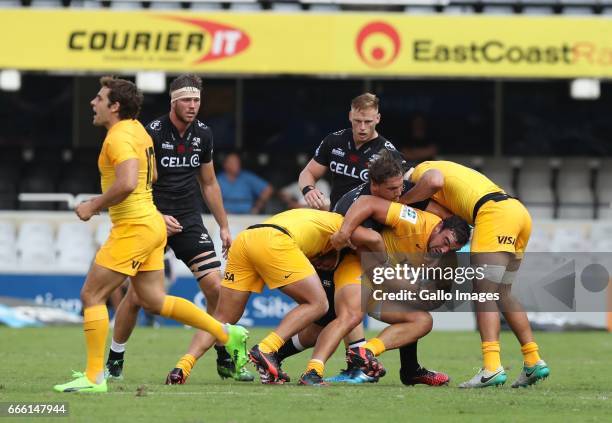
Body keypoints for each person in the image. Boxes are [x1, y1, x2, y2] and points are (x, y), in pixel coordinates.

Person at [53, 76, 248, 393]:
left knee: (92, 296)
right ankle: (227, 335)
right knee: (152, 300)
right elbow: (153, 174)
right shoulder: (143, 132)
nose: (93, 103)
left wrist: (94, 205)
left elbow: (130, 181)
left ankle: (93, 377)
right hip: (154, 222)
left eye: (99, 98)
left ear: (114, 106)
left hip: (136, 226)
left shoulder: (118, 138)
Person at [103, 74, 253, 383]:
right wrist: (156, 215)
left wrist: (224, 226)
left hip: (188, 219)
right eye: (187, 100)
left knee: (216, 289)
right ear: (173, 101)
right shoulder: (151, 133)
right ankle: (115, 357)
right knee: (136, 297)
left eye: (197, 100)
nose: (193, 106)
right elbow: (138, 181)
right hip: (151, 218)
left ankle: (223, 352)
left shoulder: (204, 135)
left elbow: (209, 183)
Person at [165, 207, 386, 384]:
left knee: (222, 318)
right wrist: (382, 265)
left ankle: (182, 367)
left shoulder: (316, 219)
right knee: (318, 304)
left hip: (247, 238)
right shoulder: (343, 226)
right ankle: (266, 349)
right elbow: (375, 239)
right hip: (274, 240)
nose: (320, 263)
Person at [400, 160, 550, 388]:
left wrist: (401, 200)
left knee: (484, 295)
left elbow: (432, 184)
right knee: (504, 293)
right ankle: (533, 360)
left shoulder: (421, 174)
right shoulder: (442, 174)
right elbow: (450, 219)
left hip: (493, 213)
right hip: (518, 213)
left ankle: (491, 367)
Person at [295, 92, 409, 382]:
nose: (362, 127)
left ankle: (366, 361)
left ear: (378, 119)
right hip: (335, 229)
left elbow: (401, 194)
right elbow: (307, 174)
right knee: (338, 306)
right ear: (350, 116)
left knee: (341, 306)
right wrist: (310, 191)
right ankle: (359, 362)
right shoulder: (334, 141)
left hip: (366, 234)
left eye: (368, 122)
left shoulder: (388, 153)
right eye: (358, 120)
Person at [299, 193, 471, 385]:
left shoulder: (446, 259)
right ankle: (312, 370)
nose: (444, 250)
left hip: (382, 287)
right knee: (345, 317)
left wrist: (424, 293)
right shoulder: (414, 221)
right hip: (358, 266)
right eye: (445, 242)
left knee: (422, 320)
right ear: (439, 227)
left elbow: (438, 298)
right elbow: (367, 202)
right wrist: (343, 235)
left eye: (452, 249)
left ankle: (365, 352)